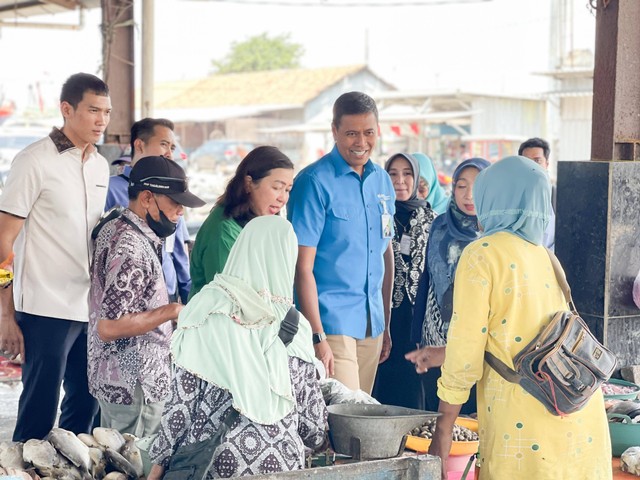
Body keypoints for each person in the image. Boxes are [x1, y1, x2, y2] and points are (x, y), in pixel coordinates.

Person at [424, 156, 612, 480]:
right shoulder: (545, 255)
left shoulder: (481, 254)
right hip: (579, 416)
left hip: (524, 424)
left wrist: (443, 429)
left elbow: (464, 355)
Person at [147, 216, 327, 479]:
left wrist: (156, 468)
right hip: (282, 465)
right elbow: (313, 426)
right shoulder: (297, 326)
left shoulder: (205, 311)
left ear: (241, 249)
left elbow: (180, 409)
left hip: (213, 462)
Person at [0, 73, 111, 441]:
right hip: (43, 306)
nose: (101, 120)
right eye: (93, 110)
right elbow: (3, 243)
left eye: (107, 112)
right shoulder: (34, 160)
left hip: (87, 304)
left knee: (86, 406)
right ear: (67, 109)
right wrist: (6, 314)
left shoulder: (100, 166)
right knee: (38, 412)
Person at [88, 155, 205, 437]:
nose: (180, 212)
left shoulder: (117, 225)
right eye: (174, 203)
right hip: (135, 386)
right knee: (134, 465)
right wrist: (171, 311)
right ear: (147, 198)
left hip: (121, 380)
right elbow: (110, 326)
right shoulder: (130, 247)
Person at [287, 91, 395, 395]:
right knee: (346, 419)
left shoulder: (382, 181)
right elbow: (302, 267)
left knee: (362, 423)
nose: (361, 142)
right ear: (334, 132)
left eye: (368, 132)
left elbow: (385, 253)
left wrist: (385, 323)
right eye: (351, 134)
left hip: (371, 322)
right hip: (331, 322)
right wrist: (318, 336)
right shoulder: (313, 182)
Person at [405, 158, 490, 413]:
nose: (468, 195)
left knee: (472, 417)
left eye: (477, 186)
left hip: (477, 345)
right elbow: (427, 280)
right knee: (439, 412)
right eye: (461, 186)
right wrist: (418, 337)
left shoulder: (495, 233)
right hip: (434, 336)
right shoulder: (440, 225)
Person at [372, 153, 436, 409]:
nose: (400, 181)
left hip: (418, 320)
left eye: (407, 173)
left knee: (415, 390)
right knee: (382, 387)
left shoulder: (432, 220)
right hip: (383, 316)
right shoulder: (379, 217)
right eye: (393, 173)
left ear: (417, 178)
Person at [188, 145, 294, 299]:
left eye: (287, 190)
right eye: (277, 187)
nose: (283, 198)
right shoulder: (223, 232)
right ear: (248, 183)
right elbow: (231, 300)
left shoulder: (261, 224)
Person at [105, 118, 192, 304]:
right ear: (139, 144)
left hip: (167, 293)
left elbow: (178, 250)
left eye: (173, 148)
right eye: (163, 144)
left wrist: (187, 296)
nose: (169, 153)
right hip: (127, 295)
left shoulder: (174, 190)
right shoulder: (110, 189)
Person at [518, 137, 555, 251]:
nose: (532, 166)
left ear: (547, 164)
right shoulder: (512, 197)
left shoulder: (558, 197)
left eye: (537, 161)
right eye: (526, 161)